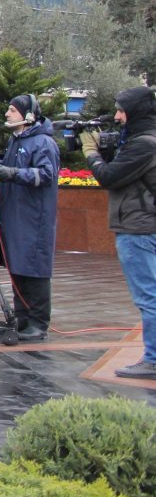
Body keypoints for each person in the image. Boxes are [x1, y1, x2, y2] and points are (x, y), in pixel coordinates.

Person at [87, 86, 156, 378]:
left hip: (138, 227)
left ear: (135, 111)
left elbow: (109, 177)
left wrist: (90, 153)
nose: (116, 116)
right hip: (145, 224)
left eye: (121, 110)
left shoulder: (144, 144)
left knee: (148, 295)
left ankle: (152, 359)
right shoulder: (146, 139)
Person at [0, 94, 60, 342]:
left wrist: (13, 173)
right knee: (17, 266)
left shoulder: (42, 143)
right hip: (15, 215)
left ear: (28, 116)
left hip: (33, 217)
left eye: (12, 110)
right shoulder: (16, 141)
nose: (7, 114)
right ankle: (21, 319)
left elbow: (46, 175)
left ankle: (38, 323)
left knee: (35, 269)